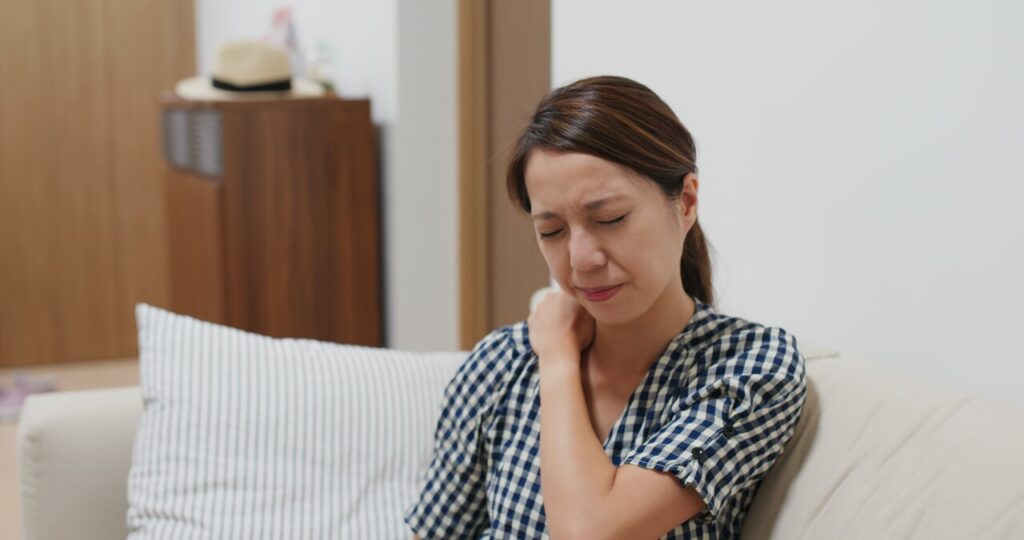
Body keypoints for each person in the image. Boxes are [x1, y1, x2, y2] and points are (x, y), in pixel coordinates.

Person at [404, 75, 808, 539]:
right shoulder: (501, 362)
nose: (581, 260)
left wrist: (558, 359)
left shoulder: (752, 365)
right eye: (551, 231)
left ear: (686, 202)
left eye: (610, 219)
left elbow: (590, 532)